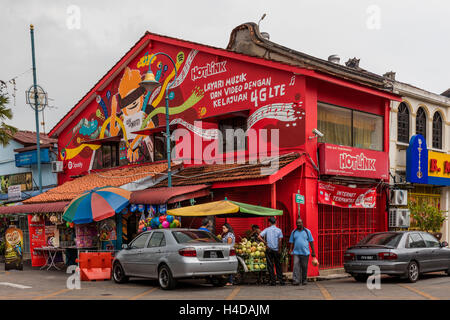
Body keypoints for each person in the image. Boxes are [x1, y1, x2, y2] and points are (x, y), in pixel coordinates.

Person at [258, 217, 285, 286]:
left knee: (270, 266)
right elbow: (280, 240)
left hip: (269, 250)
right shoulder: (279, 230)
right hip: (276, 250)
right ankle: (281, 281)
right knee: (278, 265)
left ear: (269, 222)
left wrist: (265, 242)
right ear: (275, 222)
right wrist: (279, 249)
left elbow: (259, 236)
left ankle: (273, 282)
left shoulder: (267, 229)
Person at [289, 218, 316, 286]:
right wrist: (290, 250)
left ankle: (304, 280)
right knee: (296, 266)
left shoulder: (307, 231)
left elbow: (311, 241)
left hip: (305, 252)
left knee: (304, 267)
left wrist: (313, 251)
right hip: (296, 253)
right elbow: (291, 242)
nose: (298, 224)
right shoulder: (294, 232)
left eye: (300, 223)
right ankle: (296, 280)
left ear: (302, 223)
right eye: (297, 223)